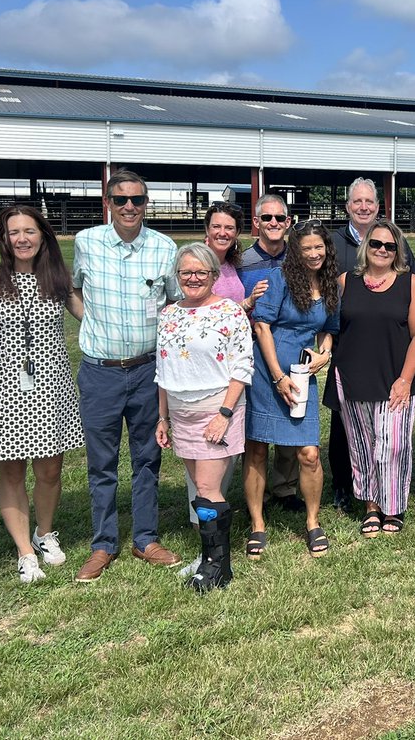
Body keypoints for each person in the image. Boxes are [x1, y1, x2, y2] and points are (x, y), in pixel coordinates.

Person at [71, 170, 180, 582]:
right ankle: (103, 544)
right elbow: (73, 289)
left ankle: (145, 538)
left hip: (148, 370)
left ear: (146, 203)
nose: (129, 207)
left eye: (137, 199)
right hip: (101, 373)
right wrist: (90, 322)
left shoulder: (164, 248)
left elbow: (174, 301)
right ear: (108, 203)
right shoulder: (87, 242)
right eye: (121, 200)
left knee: (147, 458)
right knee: (102, 463)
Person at [0, 205, 84, 583]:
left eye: (29, 231)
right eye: (13, 232)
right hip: (5, 389)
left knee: (50, 470)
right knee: (12, 470)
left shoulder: (57, 277)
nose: (22, 239)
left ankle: (44, 533)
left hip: (52, 387)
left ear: (43, 236)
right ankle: (25, 550)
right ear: (4, 239)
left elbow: (89, 317)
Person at [155, 242, 252, 592]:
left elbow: (242, 366)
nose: (193, 278)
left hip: (216, 410)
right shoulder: (169, 314)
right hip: (181, 414)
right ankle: (207, 556)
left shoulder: (229, 312)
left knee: (209, 490)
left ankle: (218, 566)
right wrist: (163, 418)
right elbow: (163, 369)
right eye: (186, 272)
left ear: (214, 275)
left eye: (201, 272)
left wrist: (224, 414)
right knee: (199, 490)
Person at [326, 219, 415, 535]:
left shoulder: (409, 283)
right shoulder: (347, 281)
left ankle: (393, 507)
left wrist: (405, 379)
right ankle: (372, 505)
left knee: (393, 446)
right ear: (366, 246)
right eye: (375, 243)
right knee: (362, 446)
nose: (382, 250)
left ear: (397, 251)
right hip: (352, 376)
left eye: (389, 246)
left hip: (395, 377)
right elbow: (329, 325)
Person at [243, 220, 340, 559]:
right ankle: (257, 524)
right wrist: (276, 377)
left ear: (326, 249)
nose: (313, 254)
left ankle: (313, 522)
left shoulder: (329, 285)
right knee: (257, 449)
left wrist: (324, 353)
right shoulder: (280, 279)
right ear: (296, 252)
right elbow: (262, 327)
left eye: (318, 247)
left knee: (309, 453)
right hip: (266, 375)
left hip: (300, 376)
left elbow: (329, 328)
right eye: (306, 248)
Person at [174, 200, 248, 578]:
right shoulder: (189, 268)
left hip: (224, 387)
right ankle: (208, 552)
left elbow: (239, 354)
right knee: (201, 481)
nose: (222, 232)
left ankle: (215, 558)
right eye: (216, 226)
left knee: (212, 478)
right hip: (189, 392)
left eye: (229, 227)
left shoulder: (233, 269)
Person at [238, 193, 303, 513]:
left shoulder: (300, 259)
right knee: (256, 425)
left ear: (288, 222)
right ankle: (257, 491)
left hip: (290, 346)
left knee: (292, 415)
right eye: (267, 218)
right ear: (256, 222)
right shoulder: (242, 263)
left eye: (280, 218)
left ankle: (285, 486)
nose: (274, 223)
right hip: (253, 348)